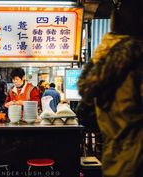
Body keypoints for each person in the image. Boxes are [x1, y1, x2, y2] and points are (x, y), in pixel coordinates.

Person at [77, 0, 143, 177]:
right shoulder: (137, 59)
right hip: (136, 162)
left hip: (114, 160)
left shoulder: (103, 58)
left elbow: (89, 114)